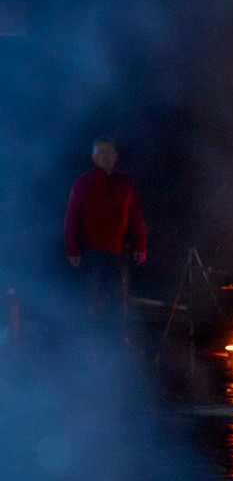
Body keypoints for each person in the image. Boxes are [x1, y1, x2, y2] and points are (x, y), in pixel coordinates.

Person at [63, 135, 147, 344]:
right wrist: (72, 249)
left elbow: (136, 216)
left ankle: (118, 341)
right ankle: (87, 342)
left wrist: (141, 246)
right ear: (93, 157)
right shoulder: (84, 182)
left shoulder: (125, 182)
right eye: (101, 152)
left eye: (109, 152)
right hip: (91, 252)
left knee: (119, 301)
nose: (106, 156)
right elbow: (72, 217)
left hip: (118, 252)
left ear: (115, 156)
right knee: (89, 300)